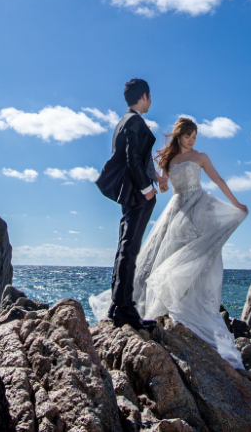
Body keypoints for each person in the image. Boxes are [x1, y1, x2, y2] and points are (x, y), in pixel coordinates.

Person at [92, 116, 249, 369]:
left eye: (194, 136)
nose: (192, 140)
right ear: (179, 135)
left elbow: (219, 180)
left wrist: (236, 204)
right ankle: (162, 311)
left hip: (198, 208)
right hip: (177, 211)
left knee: (197, 260)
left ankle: (190, 314)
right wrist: (160, 182)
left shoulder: (201, 157)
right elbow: (165, 186)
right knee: (166, 259)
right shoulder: (169, 160)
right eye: (188, 136)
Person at [93, 78, 159, 330]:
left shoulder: (124, 121)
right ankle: (124, 309)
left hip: (129, 193)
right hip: (137, 194)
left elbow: (136, 158)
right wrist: (147, 190)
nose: (150, 101)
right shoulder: (134, 122)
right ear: (144, 96)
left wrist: (154, 178)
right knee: (129, 248)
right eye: (150, 97)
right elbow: (132, 158)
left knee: (125, 246)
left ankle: (117, 304)